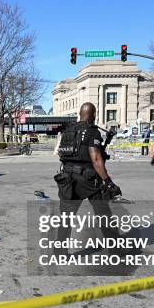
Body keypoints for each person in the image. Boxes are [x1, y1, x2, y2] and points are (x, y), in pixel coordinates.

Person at [53, 102, 122, 257]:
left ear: (79, 113)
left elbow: (60, 153)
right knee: (103, 213)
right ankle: (115, 249)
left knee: (66, 218)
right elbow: (96, 159)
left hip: (67, 179)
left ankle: (59, 253)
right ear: (93, 115)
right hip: (89, 179)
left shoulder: (68, 130)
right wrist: (109, 182)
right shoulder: (92, 131)